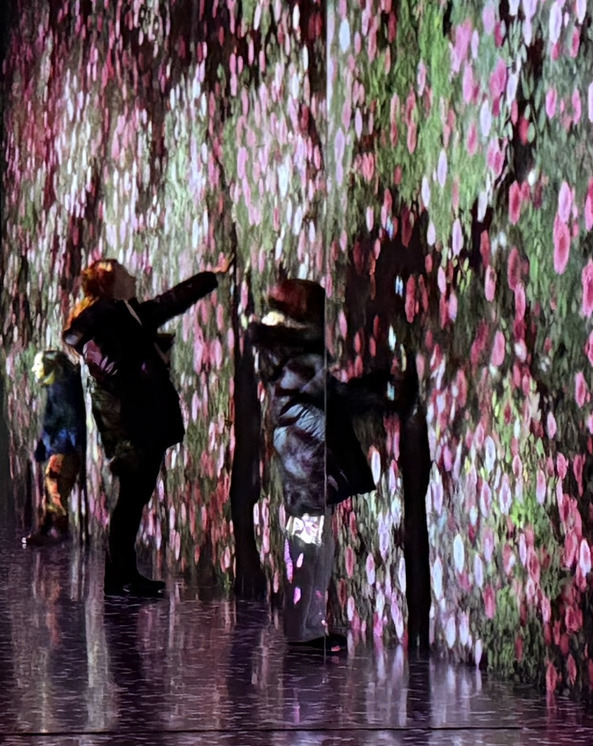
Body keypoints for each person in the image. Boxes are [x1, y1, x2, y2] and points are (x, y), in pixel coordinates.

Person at [245, 277, 408, 654]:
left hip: (302, 460)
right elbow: (338, 397)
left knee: (315, 547)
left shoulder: (283, 351)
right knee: (309, 549)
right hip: (307, 463)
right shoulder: (298, 357)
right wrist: (386, 392)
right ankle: (301, 633)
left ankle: (309, 628)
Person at [64, 257, 225, 599]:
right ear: (110, 284)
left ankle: (124, 575)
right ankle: (119, 579)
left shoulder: (126, 312)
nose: (133, 277)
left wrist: (210, 277)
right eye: (125, 275)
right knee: (130, 501)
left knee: (133, 501)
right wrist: (126, 366)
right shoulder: (105, 313)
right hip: (131, 425)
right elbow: (80, 338)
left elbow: (169, 302)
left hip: (141, 421)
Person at [28, 347, 87, 544]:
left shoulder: (62, 389)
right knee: (52, 486)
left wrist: (65, 445)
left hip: (65, 449)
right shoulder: (57, 387)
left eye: (38, 364)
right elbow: (53, 421)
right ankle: (47, 528)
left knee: (54, 485)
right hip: (61, 447)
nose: (34, 369)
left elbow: (69, 421)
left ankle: (55, 530)